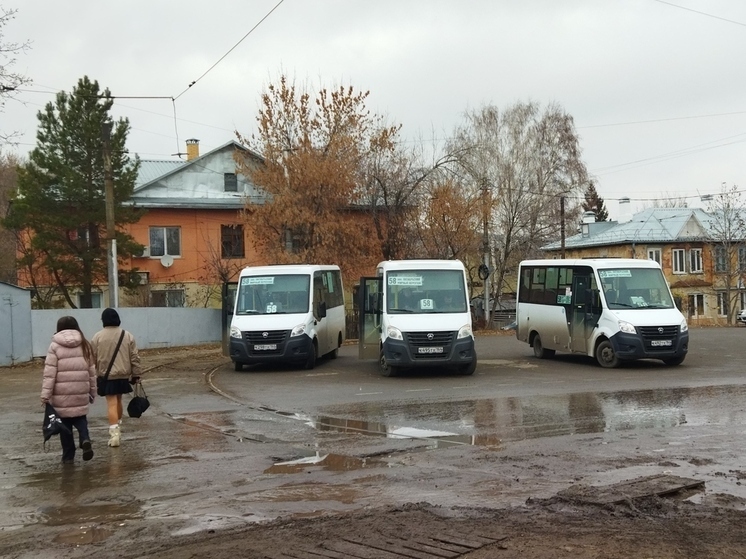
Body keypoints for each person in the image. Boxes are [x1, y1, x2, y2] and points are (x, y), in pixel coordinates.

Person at [40, 316, 96, 464]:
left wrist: (45, 395)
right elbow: (92, 371)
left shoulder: (54, 347)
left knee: (64, 425)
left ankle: (68, 456)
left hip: (61, 394)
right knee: (80, 418)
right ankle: (85, 438)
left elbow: (49, 373)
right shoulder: (85, 345)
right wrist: (92, 391)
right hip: (80, 390)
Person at [90, 308, 142, 448]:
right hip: (123, 375)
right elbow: (134, 357)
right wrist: (136, 373)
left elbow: (92, 358)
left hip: (106, 375)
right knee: (118, 400)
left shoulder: (97, 337)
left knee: (111, 403)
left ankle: (114, 435)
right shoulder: (127, 335)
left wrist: (93, 374)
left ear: (103, 320)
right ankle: (118, 426)